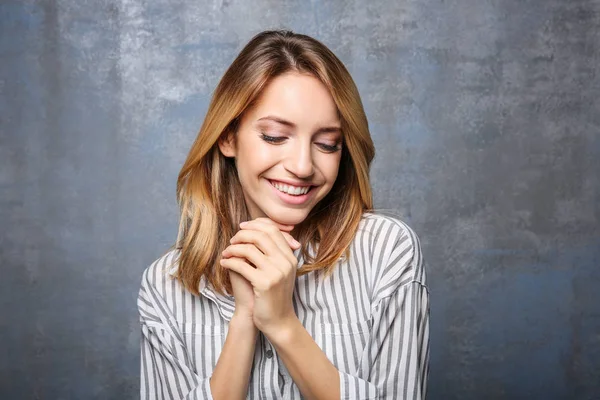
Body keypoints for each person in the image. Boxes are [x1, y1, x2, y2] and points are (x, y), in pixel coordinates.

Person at [137, 30, 429, 400]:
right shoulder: (165, 286)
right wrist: (244, 321)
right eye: (275, 137)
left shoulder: (386, 251)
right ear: (228, 137)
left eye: (327, 144)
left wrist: (282, 324)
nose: (303, 166)